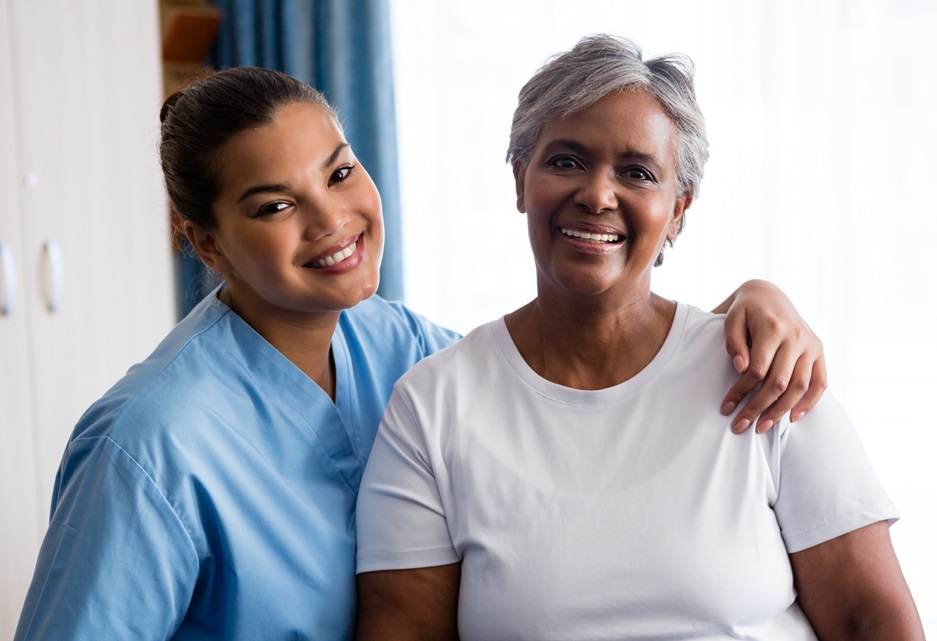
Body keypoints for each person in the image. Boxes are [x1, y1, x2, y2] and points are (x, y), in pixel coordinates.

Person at [15, 67, 826, 641]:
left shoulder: (396, 345)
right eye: (274, 205)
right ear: (205, 242)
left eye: (338, 172)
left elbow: (571, 366)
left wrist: (745, 308)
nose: (332, 220)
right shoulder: (148, 445)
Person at [354, 35, 925, 640]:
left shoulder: (767, 374)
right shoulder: (432, 406)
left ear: (678, 209)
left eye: (636, 172)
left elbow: (873, 620)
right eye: (566, 161)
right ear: (521, 179)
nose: (598, 195)